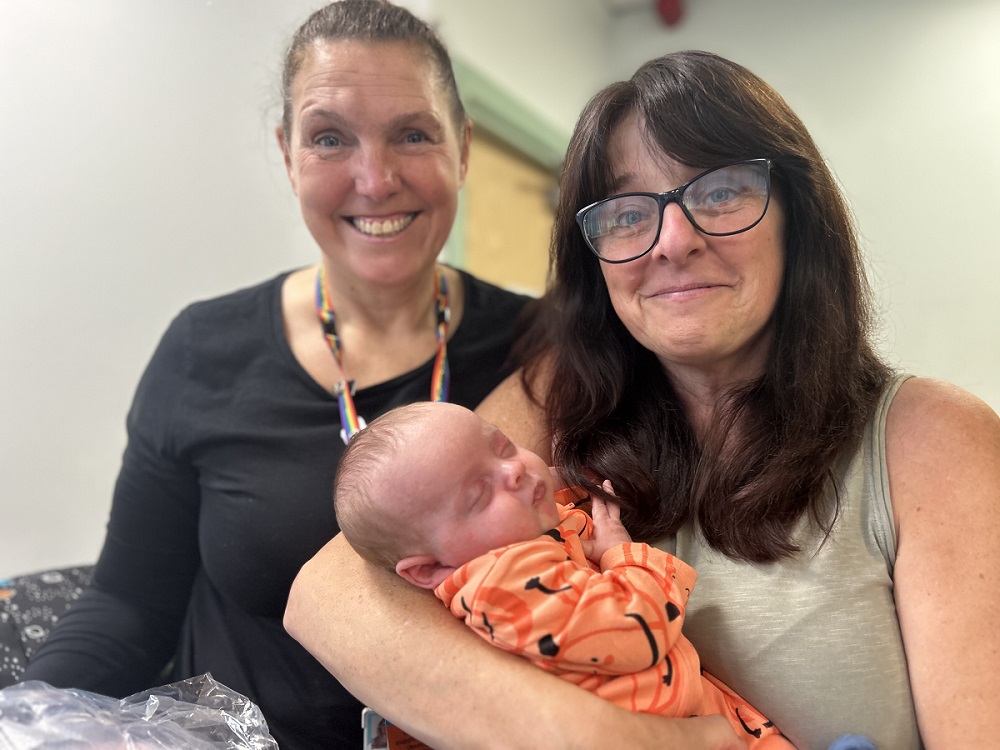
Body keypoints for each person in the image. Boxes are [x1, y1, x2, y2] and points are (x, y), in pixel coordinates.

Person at [284, 50, 1000, 749]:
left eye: (719, 191)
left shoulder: (932, 438)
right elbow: (331, 595)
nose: (673, 240)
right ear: (594, 261)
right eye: (627, 212)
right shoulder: (560, 399)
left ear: (798, 215)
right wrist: (617, 738)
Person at [21, 2, 534, 749]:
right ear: (288, 154)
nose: (375, 177)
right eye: (330, 138)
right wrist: (34, 721)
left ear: (462, 148)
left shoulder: (544, 347)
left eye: (413, 134)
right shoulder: (204, 349)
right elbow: (129, 605)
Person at [336, 401, 796, 749]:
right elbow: (635, 629)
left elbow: (558, 511)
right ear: (430, 569)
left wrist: (575, 480)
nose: (515, 472)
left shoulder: (510, 539)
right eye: (478, 494)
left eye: (504, 447)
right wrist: (620, 554)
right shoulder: (501, 584)